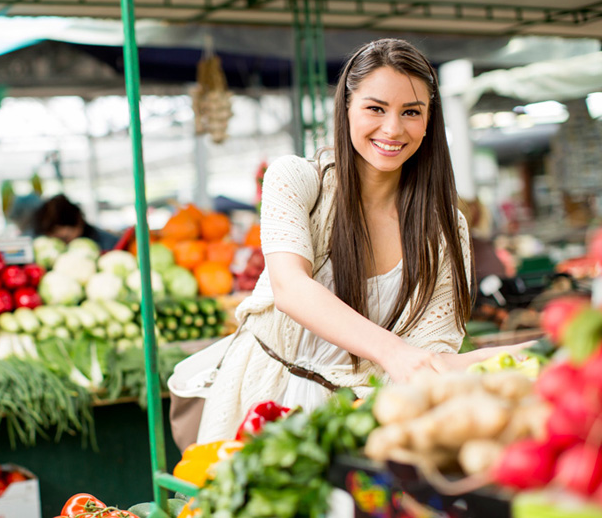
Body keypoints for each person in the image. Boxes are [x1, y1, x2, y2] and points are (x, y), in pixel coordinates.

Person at [191, 39, 525, 444]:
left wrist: (527, 357)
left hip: (357, 416)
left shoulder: (443, 226)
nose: (393, 128)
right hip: (262, 401)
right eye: (376, 108)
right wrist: (393, 352)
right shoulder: (296, 179)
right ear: (346, 107)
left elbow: (432, 352)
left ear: (429, 121)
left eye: (411, 112)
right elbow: (290, 288)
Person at [32, 194, 119, 251]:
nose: (61, 244)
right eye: (53, 240)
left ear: (79, 222)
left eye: (64, 238)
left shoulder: (109, 244)